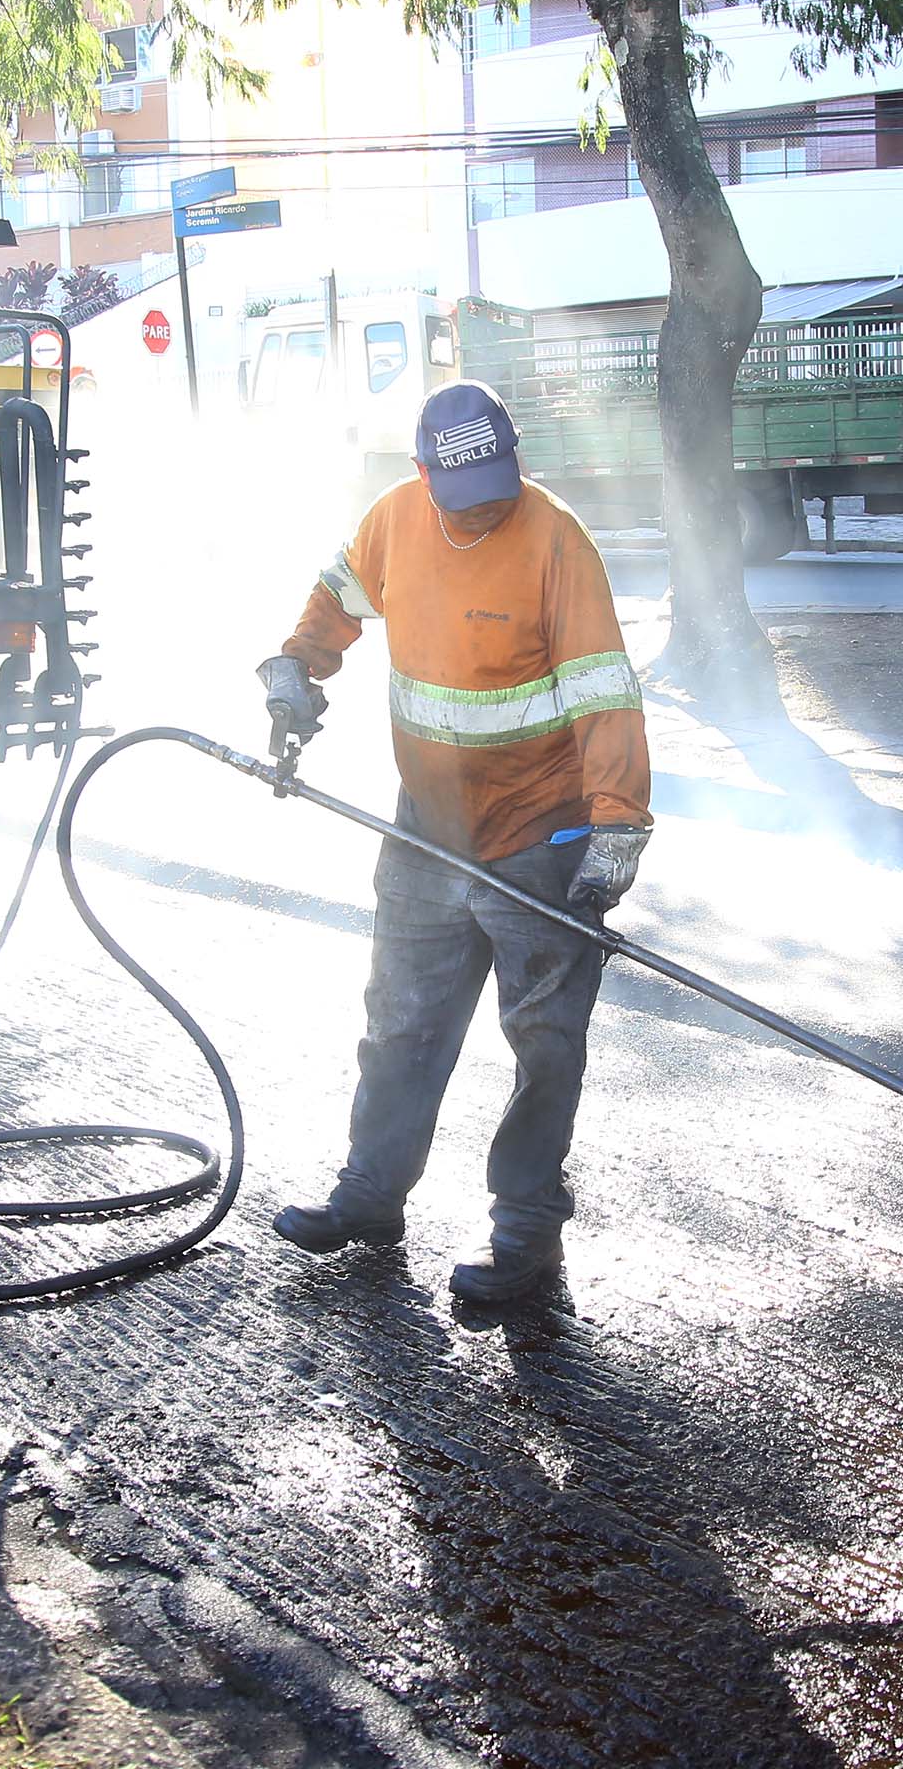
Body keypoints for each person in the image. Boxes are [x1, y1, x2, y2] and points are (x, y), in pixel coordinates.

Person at [254, 381, 653, 1306]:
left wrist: (617, 823)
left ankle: (524, 1237)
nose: (483, 504)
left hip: (537, 833)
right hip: (428, 828)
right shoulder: (392, 523)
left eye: (497, 482)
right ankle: (370, 1195)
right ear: (423, 471)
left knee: (543, 1042)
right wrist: (295, 667)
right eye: (459, 485)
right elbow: (331, 606)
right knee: (401, 1021)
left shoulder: (555, 538)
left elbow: (603, 691)